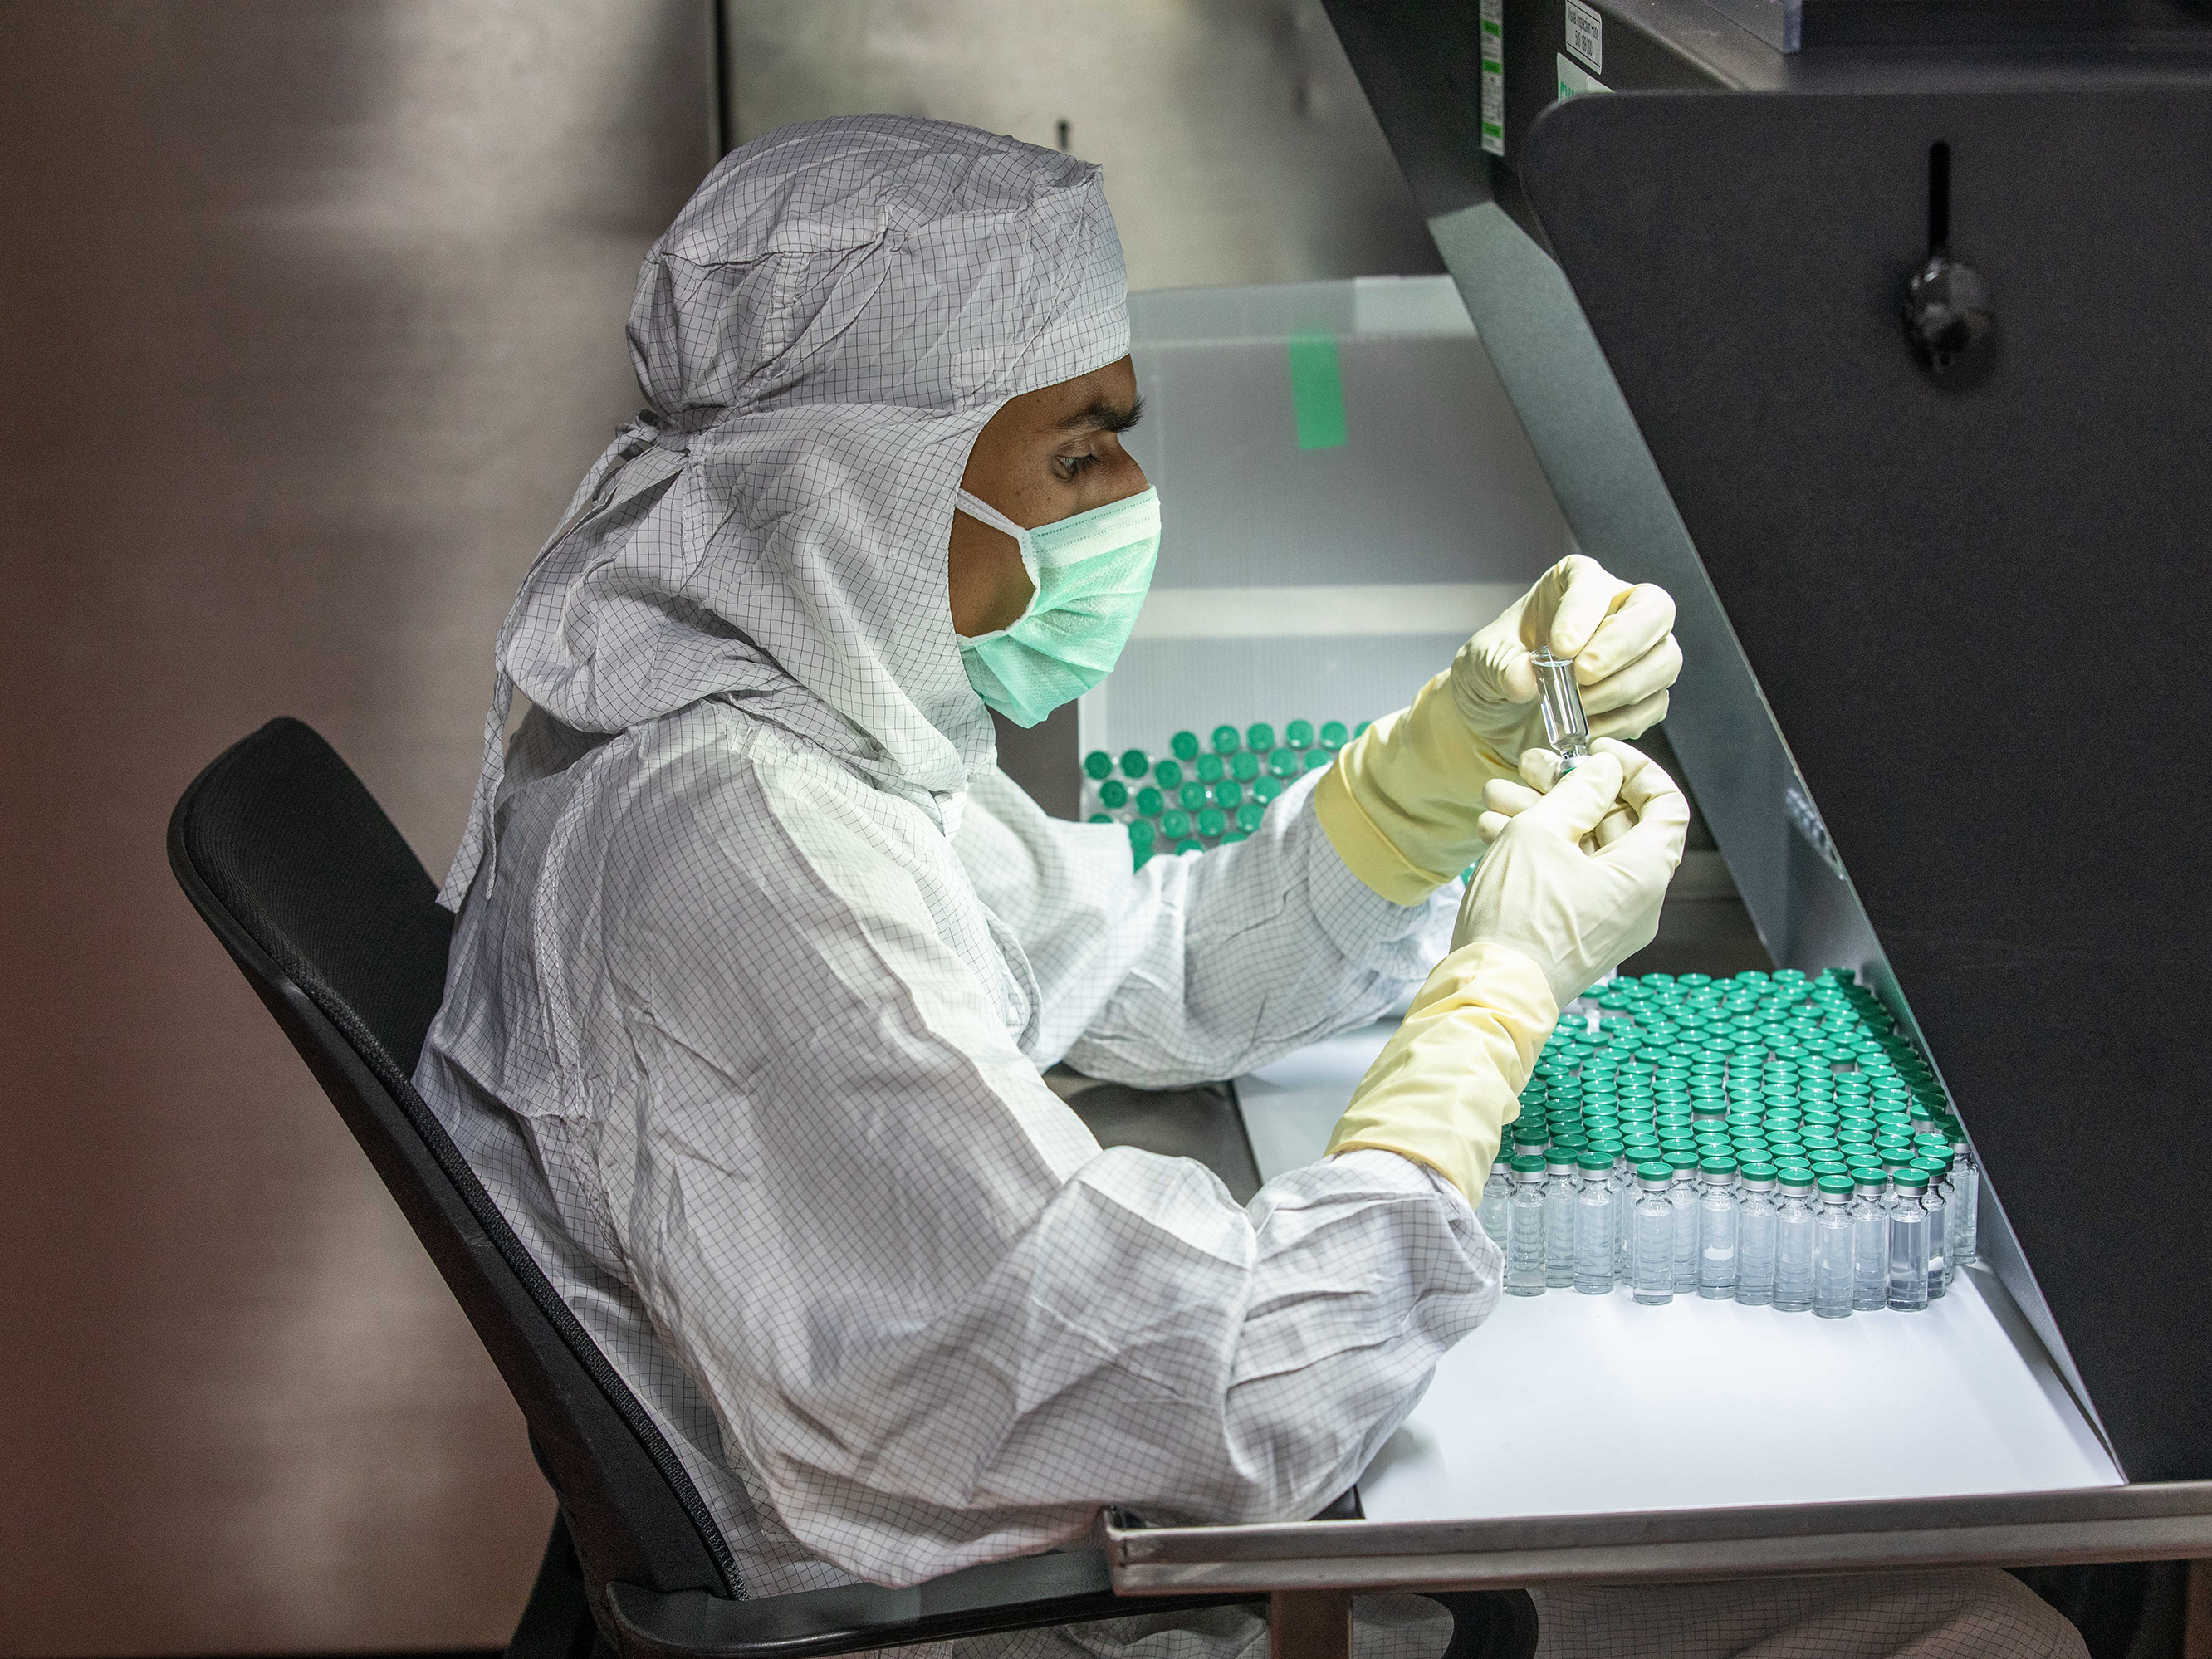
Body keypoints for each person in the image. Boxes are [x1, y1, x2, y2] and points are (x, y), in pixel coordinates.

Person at [416, 117, 2084, 1659]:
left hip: (1030, 1554)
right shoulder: (738, 854)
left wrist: (1428, 777)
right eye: (1082, 451)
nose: (1129, 503)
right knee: (1976, 1634)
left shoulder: (775, 728)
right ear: (865, 474)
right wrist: (1494, 1001)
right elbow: (1228, 1390)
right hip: (1025, 1621)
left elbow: (1131, 963)